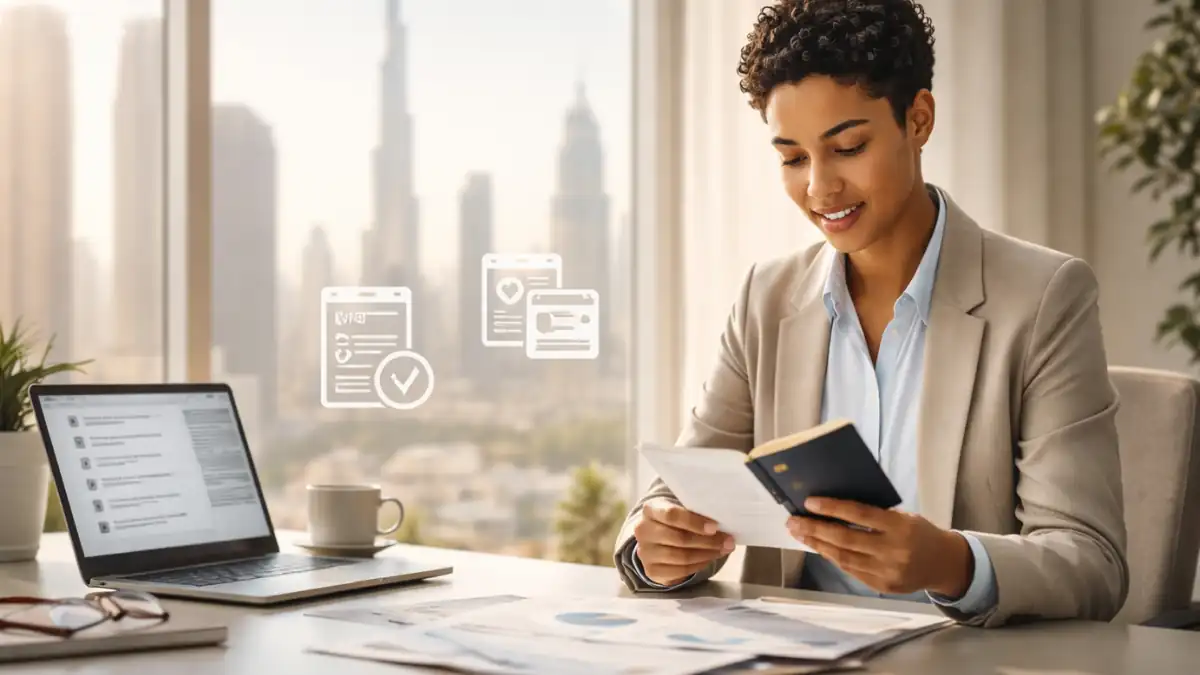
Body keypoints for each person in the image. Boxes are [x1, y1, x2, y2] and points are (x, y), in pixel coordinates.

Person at [612, 0, 1128, 628]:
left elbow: (1092, 562)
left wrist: (952, 563)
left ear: (919, 119)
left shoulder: (1044, 298)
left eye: (848, 146)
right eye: (793, 158)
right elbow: (674, 497)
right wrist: (658, 546)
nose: (819, 187)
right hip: (797, 654)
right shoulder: (765, 299)